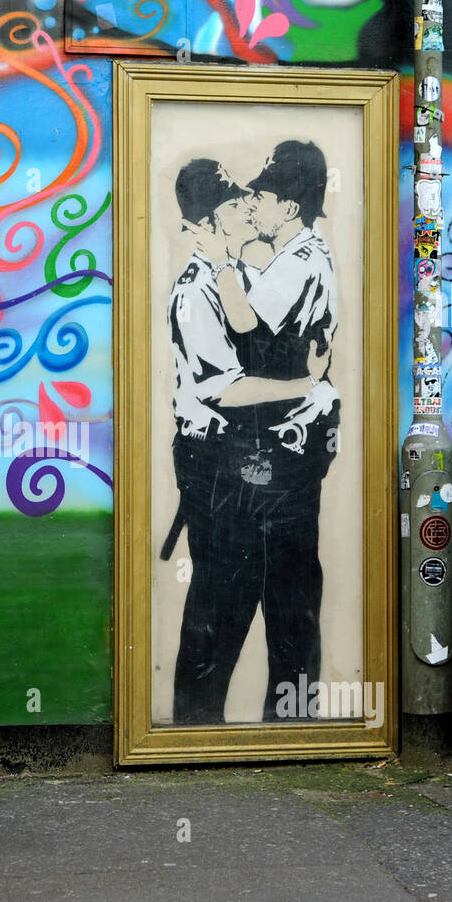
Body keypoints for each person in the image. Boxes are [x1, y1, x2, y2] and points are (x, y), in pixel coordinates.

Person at [164, 157, 326, 726]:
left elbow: (257, 332)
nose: (244, 210)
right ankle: (195, 726)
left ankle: (290, 726)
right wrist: (308, 382)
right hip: (214, 462)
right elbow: (224, 391)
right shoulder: (195, 292)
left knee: (288, 601)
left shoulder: (237, 276)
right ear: (205, 224)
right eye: (233, 204)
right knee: (222, 603)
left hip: (260, 463)